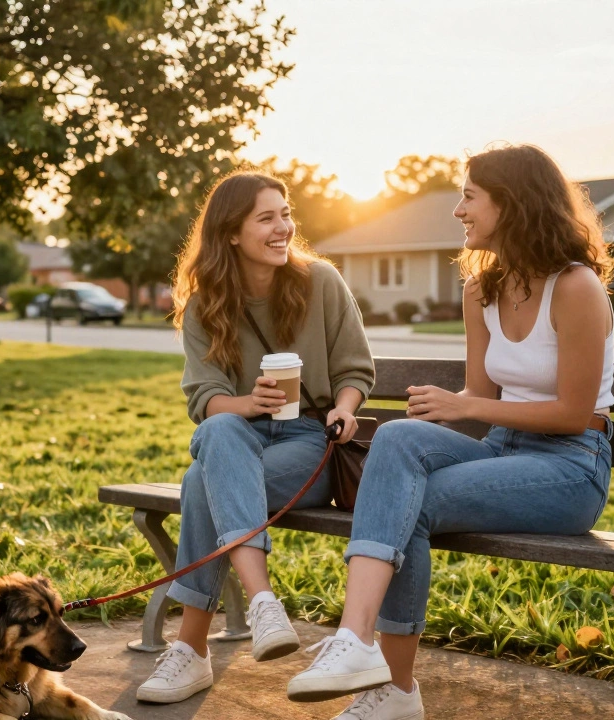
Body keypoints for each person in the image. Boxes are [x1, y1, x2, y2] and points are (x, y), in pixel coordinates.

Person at [286, 145, 614, 720]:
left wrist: (458, 406)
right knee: (393, 439)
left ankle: (389, 685)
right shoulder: (482, 287)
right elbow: (483, 401)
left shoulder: (575, 287)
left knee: (405, 503)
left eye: (469, 196)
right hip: (503, 451)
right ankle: (359, 646)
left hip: (571, 468)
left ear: (510, 205)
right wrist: (457, 407)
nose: (458, 209)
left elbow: (570, 413)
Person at [136, 171, 375, 704]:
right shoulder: (205, 303)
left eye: (285, 214)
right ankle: (263, 601)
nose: (283, 227)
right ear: (231, 234)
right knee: (220, 435)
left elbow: (356, 370)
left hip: (308, 443)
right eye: (266, 218)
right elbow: (205, 397)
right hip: (237, 438)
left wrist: (344, 409)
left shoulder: (320, 282)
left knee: (203, 484)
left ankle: (193, 649)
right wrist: (248, 404)